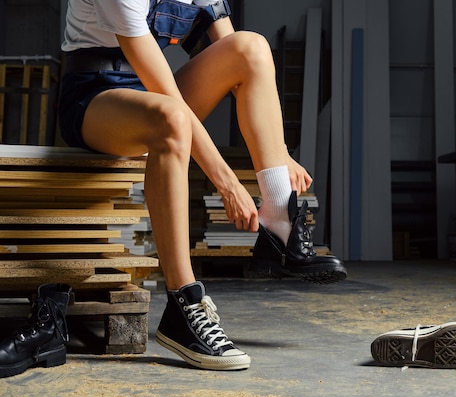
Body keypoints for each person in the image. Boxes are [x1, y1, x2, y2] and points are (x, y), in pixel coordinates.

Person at [57, 0, 347, 371]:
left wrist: (280, 154)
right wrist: (227, 182)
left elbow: (238, 58)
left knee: (252, 47)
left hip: (152, 94)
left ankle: (278, 222)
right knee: (171, 116)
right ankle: (183, 303)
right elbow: (167, 94)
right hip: (95, 97)